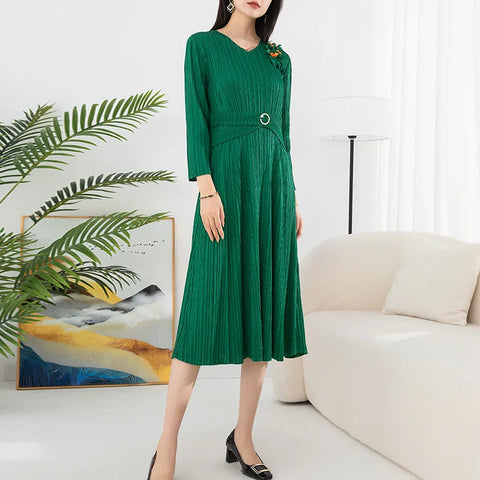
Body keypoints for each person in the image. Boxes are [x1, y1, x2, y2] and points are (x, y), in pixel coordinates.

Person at [147, 1, 307, 479]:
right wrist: (206, 190)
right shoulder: (203, 46)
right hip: (224, 188)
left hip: (272, 191)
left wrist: (292, 198)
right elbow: (196, 120)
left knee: (260, 313)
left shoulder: (279, 59)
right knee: (201, 314)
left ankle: (243, 438)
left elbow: (284, 134)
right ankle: (167, 445)